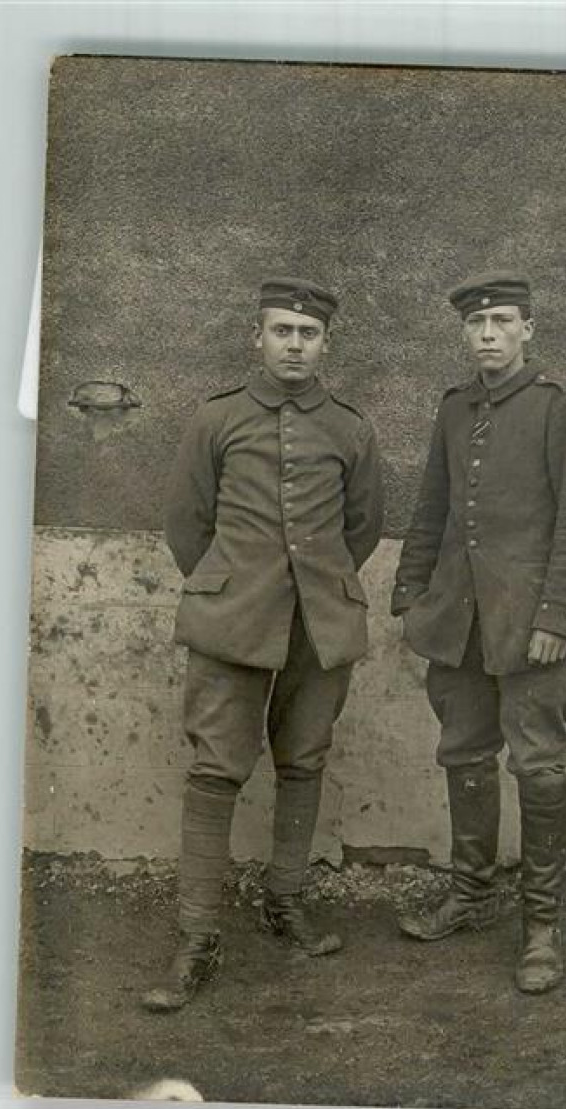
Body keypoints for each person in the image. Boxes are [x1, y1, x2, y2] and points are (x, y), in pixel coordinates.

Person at [143, 277, 384, 1012]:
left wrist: (310, 589)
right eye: (281, 331)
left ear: (325, 344)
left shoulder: (348, 428)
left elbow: (362, 527)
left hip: (320, 623)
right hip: (233, 621)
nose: (294, 345)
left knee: (303, 760)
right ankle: (197, 937)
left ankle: (284, 900)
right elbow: (187, 521)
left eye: (307, 335)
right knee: (216, 769)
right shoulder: (217, 418)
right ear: (258, 336)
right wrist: (229, 588)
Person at [391, 271, 566, 993]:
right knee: (463, 753)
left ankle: (540, 924)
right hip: (458, 623)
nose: (488, 333)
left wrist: (558, 618)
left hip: (530, 626)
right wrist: (411, 596)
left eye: (503, 320)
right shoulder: (454, 409)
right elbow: (432, 508)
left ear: (527, 330)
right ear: (464, 332)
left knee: (539, 764)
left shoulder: (559, 407)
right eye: (477, 323)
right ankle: (470, 892)